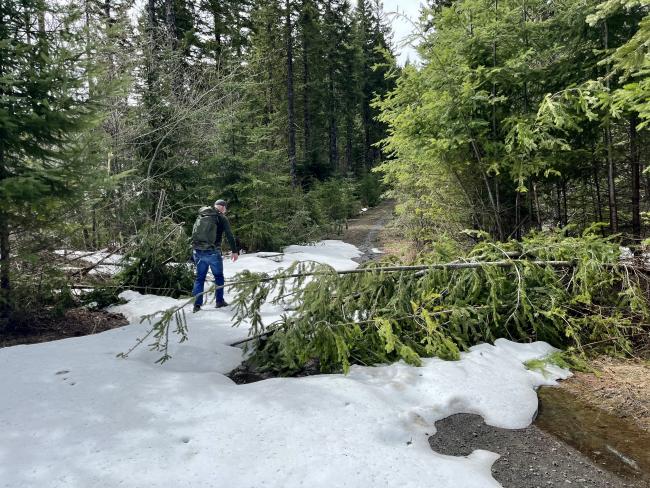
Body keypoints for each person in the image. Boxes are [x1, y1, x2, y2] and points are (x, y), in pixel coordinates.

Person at [191, 199, 239, 312]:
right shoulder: (221, 217)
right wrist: (234, 251)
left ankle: (197, 305)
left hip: (198, 251)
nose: (225, 210)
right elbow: (229, 235)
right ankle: (219, 301)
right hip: (213, 252)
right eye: (225, 208)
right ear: (222, 207)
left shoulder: (202, 215)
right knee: (218, 277)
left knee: (199, 278)